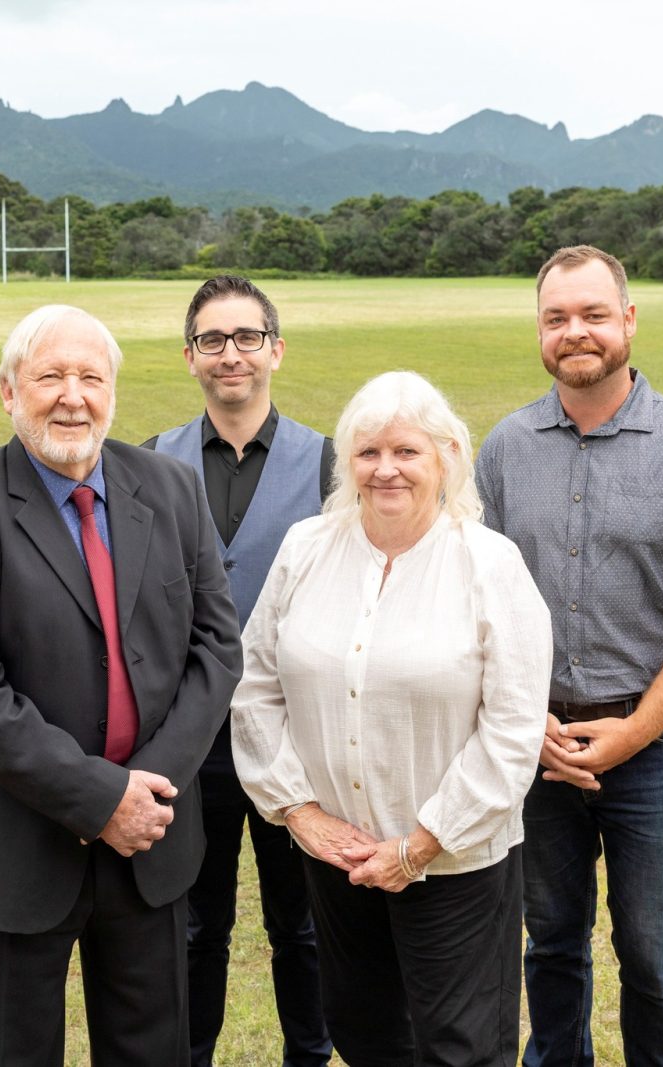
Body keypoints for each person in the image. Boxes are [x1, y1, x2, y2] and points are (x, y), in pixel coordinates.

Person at [0, 304, 244, 1066]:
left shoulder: (170, 489)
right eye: (50, 376)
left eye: (91, 377)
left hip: (150, 844)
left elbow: (217, 648)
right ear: (8, 392)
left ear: (113, 392)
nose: (73, 395)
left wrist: (144, 791)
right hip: (18, 848)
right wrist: (102, 799)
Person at [475, 245, 663, 1066]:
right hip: (534, 749)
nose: (577, 333)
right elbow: (479, 605)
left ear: (629, 320)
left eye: (594, 314)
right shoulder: (504, 447)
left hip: (656, 748)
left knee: (654, 960)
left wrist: (632, 731)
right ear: (539, 329)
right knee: (550, 944)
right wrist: (525, 726)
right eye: (557, 318)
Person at [232, 370, 553, 1067]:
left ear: (447, 458)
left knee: (461, 1050)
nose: (386, 469)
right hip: (337, 860)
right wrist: (302, 814)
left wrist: (421, 845)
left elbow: (513, 728)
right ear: (347, 462)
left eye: (406, 451)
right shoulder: (305, 549)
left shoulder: (490, 564)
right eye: (368, 451)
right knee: (365, 1033)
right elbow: (255, 687)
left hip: (455, 863)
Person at [144, 275, 334, 1067]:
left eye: (247, 337)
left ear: (275, 350)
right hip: (191, 738)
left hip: (297, 736)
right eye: (214, 340)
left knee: (304, 924)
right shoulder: (152, 459)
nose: (232, 354)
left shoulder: (327, 461)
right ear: (190, 357)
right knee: (196, 924)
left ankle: (309, 1053)